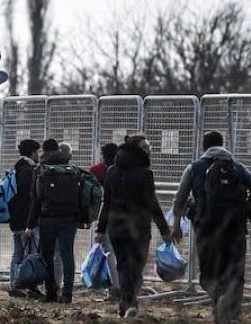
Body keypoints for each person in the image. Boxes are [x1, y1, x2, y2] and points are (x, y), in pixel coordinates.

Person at [172, 131, 251, 324]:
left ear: (203, 147)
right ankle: (233, 317)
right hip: (235, 228)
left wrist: (176, 225)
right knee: (235, 273)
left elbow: (180, 198)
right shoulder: (236, 167)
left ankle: (217, 296)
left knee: (208, 274)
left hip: (206, 228)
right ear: (223, 144)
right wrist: (248, 202)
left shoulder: (194, 168)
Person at [95, 135, 171, 318]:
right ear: (136, 149)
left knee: (123, 266)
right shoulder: (145, 173)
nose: (149, 150)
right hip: (139, 228)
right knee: (136, 267)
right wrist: (164, 229)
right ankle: (129, 302)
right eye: (146, 147)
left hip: (116, 227)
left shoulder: (112, 171)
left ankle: (126, 303)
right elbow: (152, 203)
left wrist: (101, 228)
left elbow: (107, 202)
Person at [25, 139, 80, 304]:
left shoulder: (40, 169)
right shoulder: (71, 169)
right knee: (67, 255)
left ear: (43, 151)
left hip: (48, 218)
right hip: (69, 218)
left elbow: (35, 200)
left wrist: (29, 224)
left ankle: (51, 293)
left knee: (47, 256)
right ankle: (68, 294)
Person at [7, 139, 43, 298]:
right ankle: (29, 286)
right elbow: (30, 199)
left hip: (16, 220)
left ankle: (14, 283)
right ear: (32, 152)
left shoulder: (18, 168)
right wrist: (31, 221)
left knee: (18, 253)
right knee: (31, 254)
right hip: (26, 221)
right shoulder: (29, 171)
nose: (40, 155)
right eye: (38, 152)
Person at [88, 141, 122, 300]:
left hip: (105, 215)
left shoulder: (97, 170)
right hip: (125, 216)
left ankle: (115, 288)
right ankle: (123, 285)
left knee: (109, 252)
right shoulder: (122, 171)